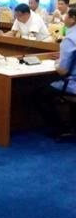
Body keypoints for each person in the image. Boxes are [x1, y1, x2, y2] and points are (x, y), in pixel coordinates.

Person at [36, 8, 76, 138]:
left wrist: (57, 63)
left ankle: (63, 127)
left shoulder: (69, 39)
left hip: (72, 84)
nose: (64, 18)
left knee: (38, 94)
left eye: (67, 15)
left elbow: (62, 71)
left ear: (73, 19)